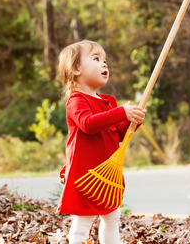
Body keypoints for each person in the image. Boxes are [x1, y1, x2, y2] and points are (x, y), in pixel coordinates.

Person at [56, 40, 146, 244]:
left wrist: (132, 121)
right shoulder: (76, 100)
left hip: (107, 174)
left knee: (112, 218)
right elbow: (88, 124)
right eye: (96, 59)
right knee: (84, 219)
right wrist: (121, 112)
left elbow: (117, 134)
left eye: (105, 60)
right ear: (76, 69)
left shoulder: (109, 102)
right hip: (86, 175)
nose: (104, 64)